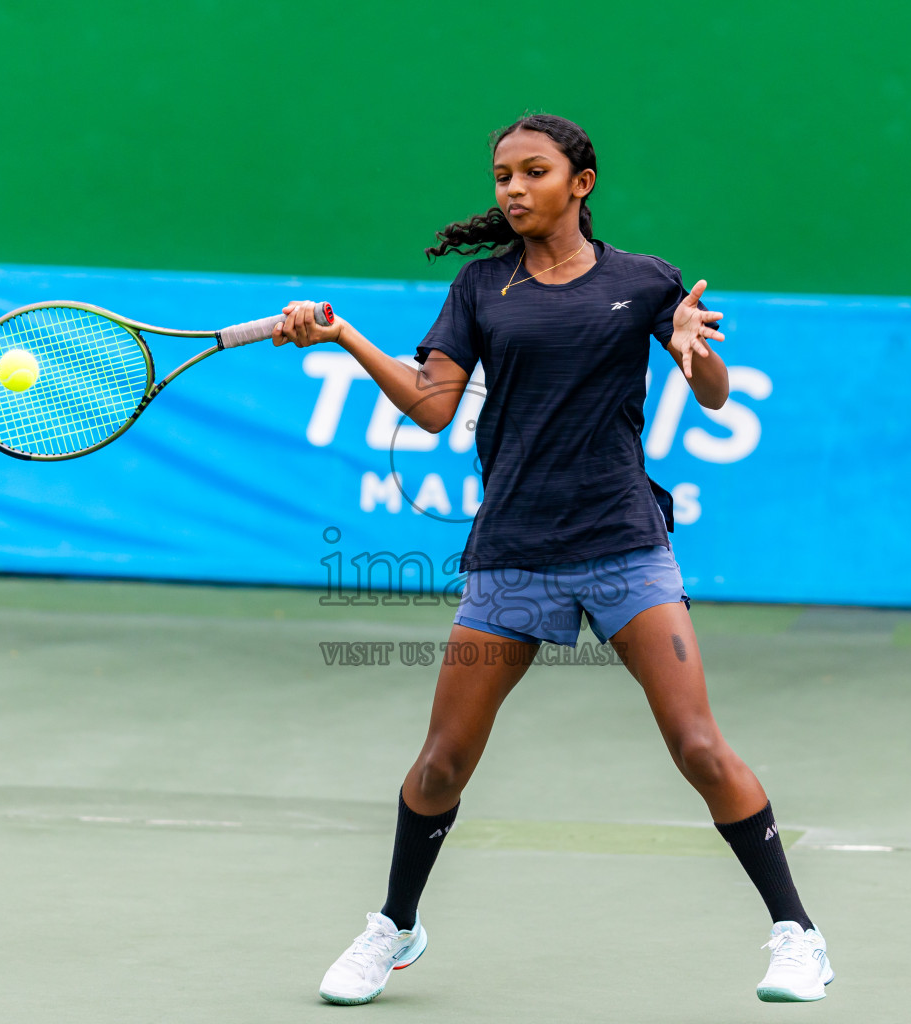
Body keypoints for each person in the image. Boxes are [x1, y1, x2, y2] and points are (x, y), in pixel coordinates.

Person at [271, 113, 833, 1006]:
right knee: (442, 764)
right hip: (513, 555)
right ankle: (396, 927)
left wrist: (693, 352)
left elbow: (715, 396)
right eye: (502, 176)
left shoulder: (644, 282)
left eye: (534, 171)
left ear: (582, 182)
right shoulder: (481, 289)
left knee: (695, 743)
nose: (513, 189)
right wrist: (344, 337)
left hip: (623, 547)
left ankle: (797, 935)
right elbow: (428, 407)